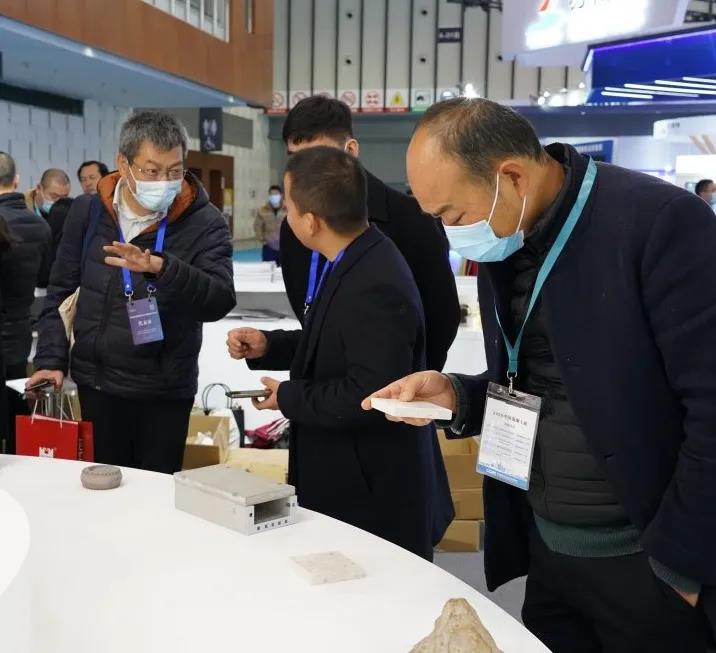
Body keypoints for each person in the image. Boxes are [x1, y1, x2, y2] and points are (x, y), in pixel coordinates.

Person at [365, 98, 716, 652]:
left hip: (646, 562)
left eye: (451, 215)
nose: (449, 233)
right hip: (551, 552)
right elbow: (540, 378)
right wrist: (458, 396)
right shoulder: (509, 237)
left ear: (511, 177)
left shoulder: (658, 223)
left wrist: (681, 565)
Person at [227, 147, 453, 560]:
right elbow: (334, 342)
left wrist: (289, 396)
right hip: (351, 473)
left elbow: (368, 393)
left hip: (370, 490)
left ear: (311, 222)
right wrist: (269, 344)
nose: (286, 217)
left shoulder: (374, 281)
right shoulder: (354, 257)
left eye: (289, 209)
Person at [28, 111, 236, 474]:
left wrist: (163, 268)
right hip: (97, 383)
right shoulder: (89, 212)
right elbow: (61, 290)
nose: (164, 182)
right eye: (152, 171)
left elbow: (219, 299)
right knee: (103, 489)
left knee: (155, 494)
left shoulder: (205, 222)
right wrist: (51, 359)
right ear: (123, 164)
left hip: (164, 391)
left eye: (175, 171)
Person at [280, 96, 460, 372]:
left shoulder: (412, 219)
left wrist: (411, 384)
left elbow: (440, 317)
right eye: (296, 159)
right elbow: (315, 323)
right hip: (326, 390)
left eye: (317, 158)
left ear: (350, 150)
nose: (305, 173)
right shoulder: (293, 228)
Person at [0, 152, 52, 453]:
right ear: (16, 180)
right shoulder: (40, 226)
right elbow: (45, 278)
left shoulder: (4, 222)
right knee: (17, 407)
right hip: (20, 327)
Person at [254, 184, 286, 264]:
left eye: (276, 194)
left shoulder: (287, 210)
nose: (274, 196)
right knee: (267, 269)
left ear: (281, 195)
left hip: (284, 247)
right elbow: (257, 226)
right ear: (269, 195)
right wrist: (262, 240)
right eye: (272, 194)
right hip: (268, 247)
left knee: (284, 270)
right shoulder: (262, 210)